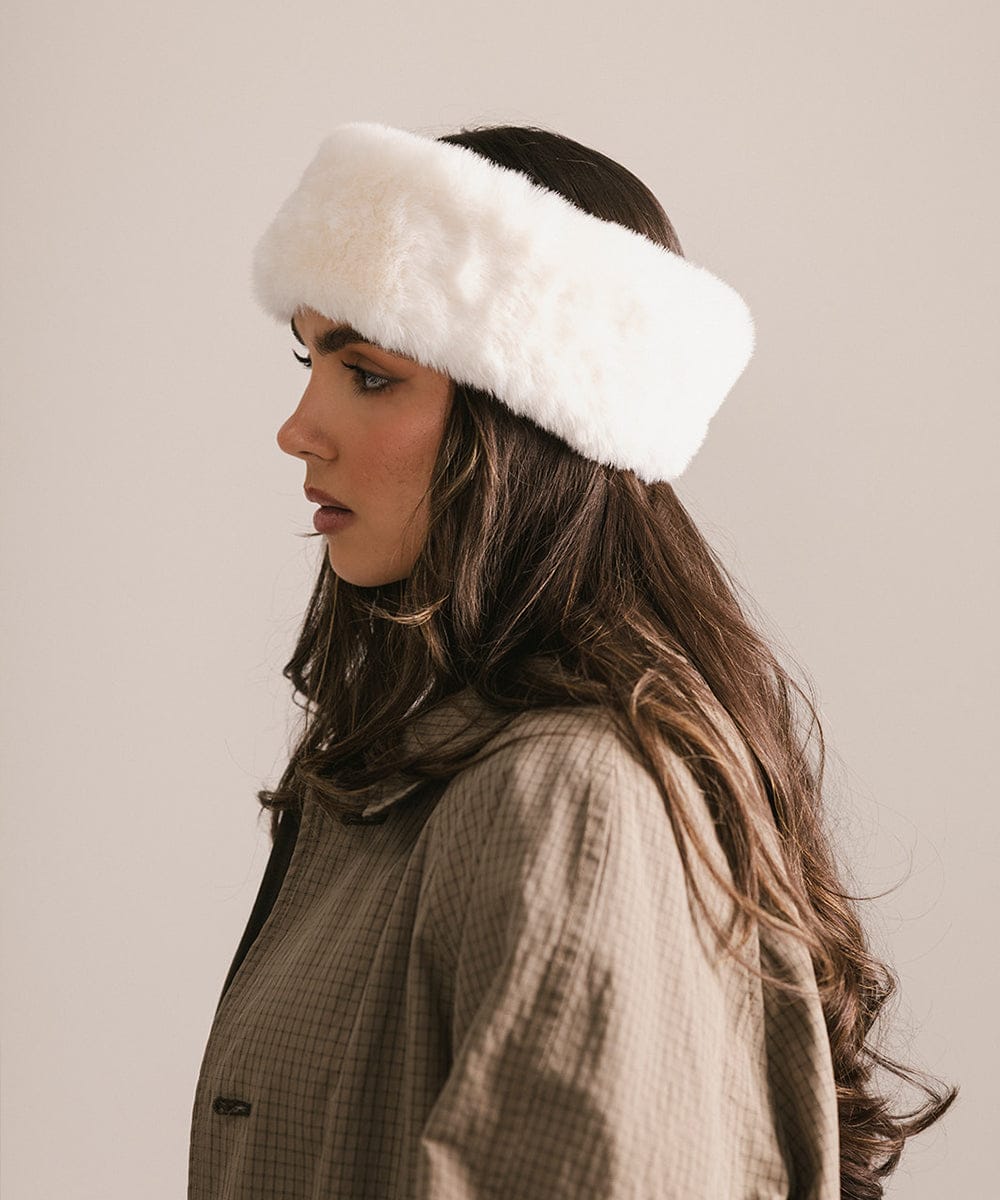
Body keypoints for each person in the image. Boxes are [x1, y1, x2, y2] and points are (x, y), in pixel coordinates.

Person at [187, 121, 956, 1199]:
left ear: (527, 424)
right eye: (310, 358)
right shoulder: (426, 774)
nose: (299, 427)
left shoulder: (570, 796)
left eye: (368, 373)